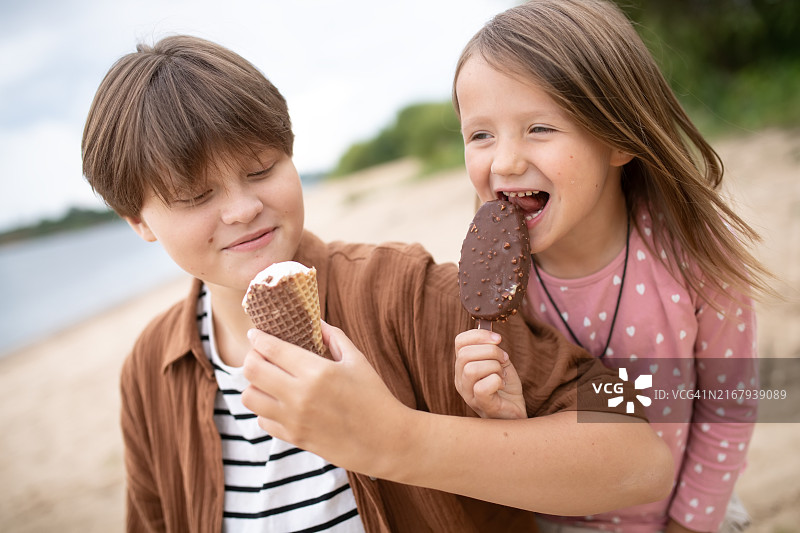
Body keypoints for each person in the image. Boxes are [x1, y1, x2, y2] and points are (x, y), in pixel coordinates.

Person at [82, 34, 674, 533]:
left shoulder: (411, 293)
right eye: (195, 196)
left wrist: (400, 440)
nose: (241, 209)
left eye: (262, 170)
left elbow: (640, 447)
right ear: (138, 221)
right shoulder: (149, 371)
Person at [451, 1, 771, 532]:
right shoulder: (495, 285)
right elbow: (534, 446)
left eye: (539, 128)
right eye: (480, 134)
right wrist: (502, 415)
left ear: (618, 136)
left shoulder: (691, 254)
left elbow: (727, 404)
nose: (503, 161)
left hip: (689, 512)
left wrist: (688, 525)